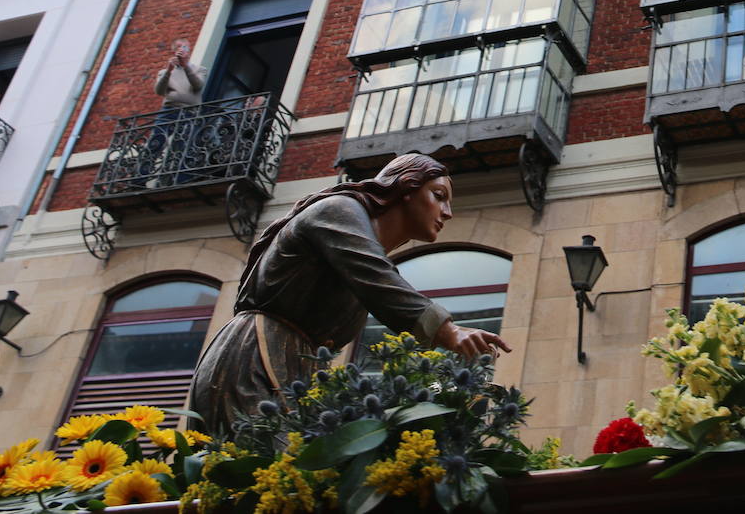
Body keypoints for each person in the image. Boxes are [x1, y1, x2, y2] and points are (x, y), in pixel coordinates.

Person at [190, 153, 511, 436]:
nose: (448, 212)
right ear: (405, 189)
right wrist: (448, 332)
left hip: (300, 368)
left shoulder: (363, 252)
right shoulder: (337, 210)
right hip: (254, 360)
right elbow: (379, 280)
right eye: (439, 196)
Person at [147, 39, 208, 183]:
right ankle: (140, 177)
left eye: (185, 47)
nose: (182, 50)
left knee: (183, 145)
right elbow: (159, 91)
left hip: (190, 112)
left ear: (189, 50)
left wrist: (186, 66)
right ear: (175, 51)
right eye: (179, 47)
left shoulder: (200, 69)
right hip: (169, 110)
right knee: (156, 141)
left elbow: (198, 85)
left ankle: (180, 179)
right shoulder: (165, 71)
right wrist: (168, 70)